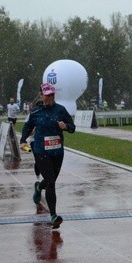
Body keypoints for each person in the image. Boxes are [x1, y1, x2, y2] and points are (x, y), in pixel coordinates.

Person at [19, 83, 76, 229]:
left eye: (52, 94)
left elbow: (72, 128)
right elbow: (27, 127)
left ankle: (38, 187)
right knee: (51, 182)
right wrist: (22, 140)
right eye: (47, 94)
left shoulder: (60, 110)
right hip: (41, 151)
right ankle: (54, 215)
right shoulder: (36, 112)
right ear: (41, 95)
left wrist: (66, 127)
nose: (50, 97)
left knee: (50, 181)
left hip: (57, 152)